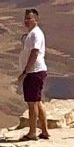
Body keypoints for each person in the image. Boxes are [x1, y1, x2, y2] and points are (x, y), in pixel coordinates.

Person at [19, 7, 49, 139]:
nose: (27, 21)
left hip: (34, 72)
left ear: (36, 19)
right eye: (25, 18)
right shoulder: (32, 34)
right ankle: (45, 131)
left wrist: (26, 71)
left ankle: (32, 132)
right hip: (36, 71)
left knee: (32, 103)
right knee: (38, 101)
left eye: (29, 18)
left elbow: (35, 52)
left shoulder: (36, 34)